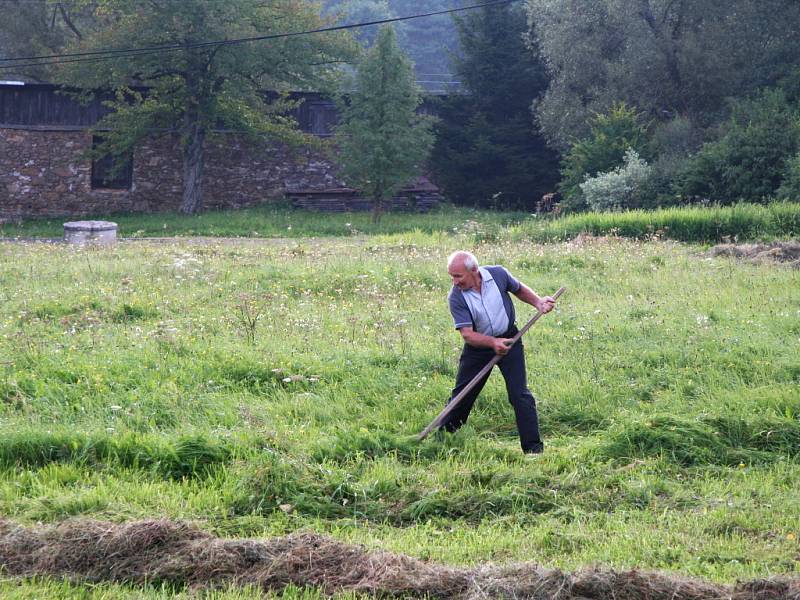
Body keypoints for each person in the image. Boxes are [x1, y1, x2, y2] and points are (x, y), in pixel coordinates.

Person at [443, 250, 555, 454]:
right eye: (451, 276)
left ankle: (533, 450)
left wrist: (538, 302)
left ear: (474, 271)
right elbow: (467, 335)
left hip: (510, 340)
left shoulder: (498, 274)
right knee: (463, 396)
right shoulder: (456, 297)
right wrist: (493, 343)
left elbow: (519, 289)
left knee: (520, 394)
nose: (454, 281)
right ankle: (443, 439)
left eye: (458, 276)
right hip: (478, 348)